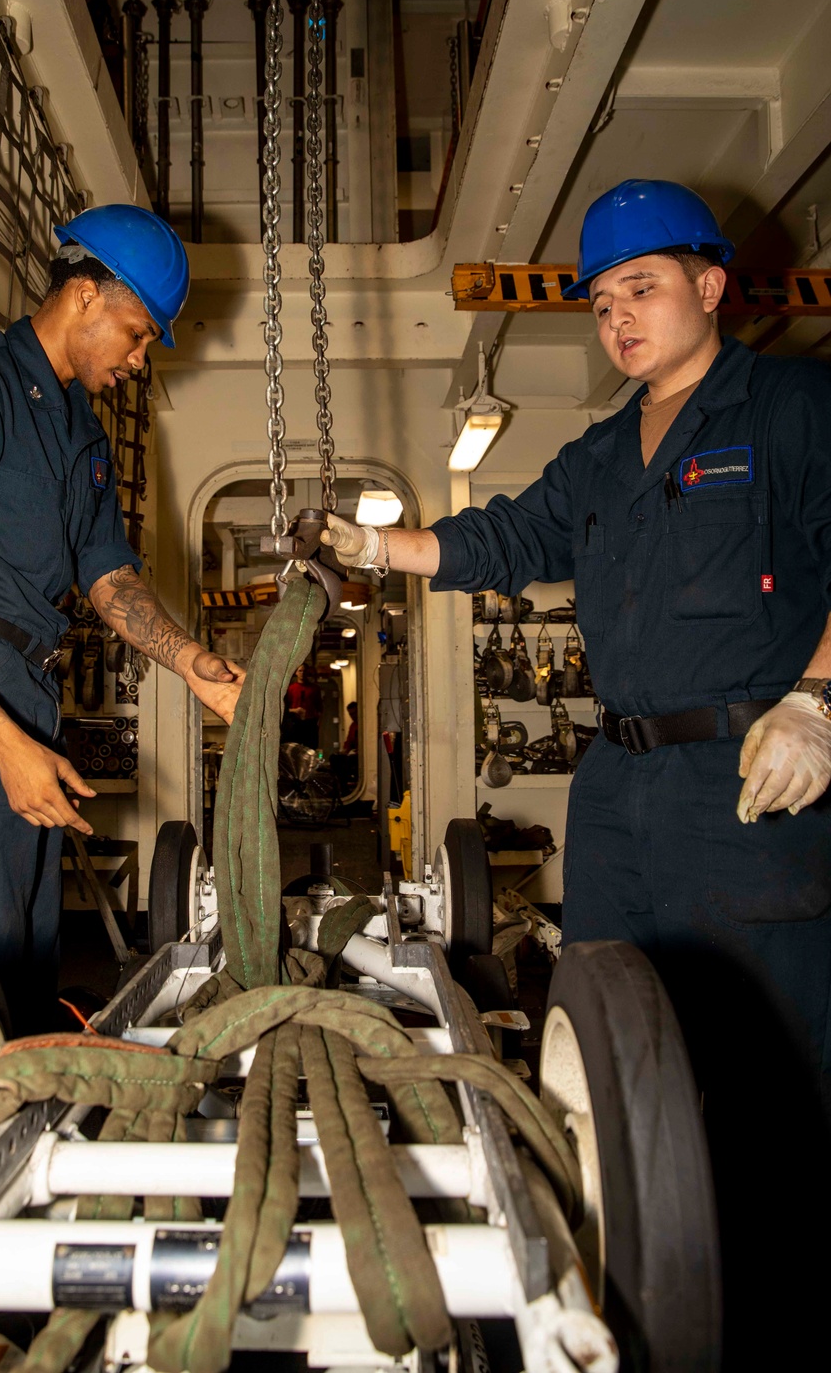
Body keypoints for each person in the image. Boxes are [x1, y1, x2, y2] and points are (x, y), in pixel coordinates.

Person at [321, 178, 831, 1360]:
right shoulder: (604, 453)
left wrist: (816, 702)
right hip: (618, 791)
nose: (617, 319)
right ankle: (635, 1294)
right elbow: (500, 537)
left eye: (640, 289)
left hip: (750, 777)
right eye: (601, 302)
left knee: (764, 1071)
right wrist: (376, 543)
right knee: (608, 1047)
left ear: (709, 286)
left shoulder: (794, 408)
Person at [0, 204, 244, 1030]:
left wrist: (191, 664)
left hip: (26, 686)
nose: (140, 359)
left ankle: (21, 1118)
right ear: (86, 296)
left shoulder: (82, 436)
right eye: (139, 334)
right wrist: (2, 742)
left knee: (23, 953)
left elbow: (107, 578)